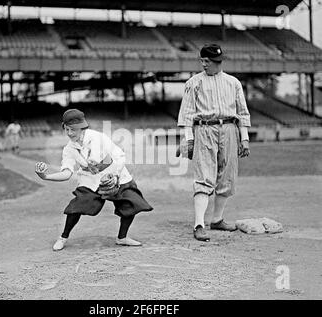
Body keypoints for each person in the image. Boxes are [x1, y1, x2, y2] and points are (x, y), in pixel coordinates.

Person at [34, 109, 153, 251]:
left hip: (114, 173)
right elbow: (66, 173)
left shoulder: (99, 138)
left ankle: (122, 238)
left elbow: (119, 155)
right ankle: (63, 238)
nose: (70, 133)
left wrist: (115, 176)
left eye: (73, 129)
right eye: (67, 129)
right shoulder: (69, 149)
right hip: (90, 179)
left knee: (131, 201)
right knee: (78, 205)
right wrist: (46, 176)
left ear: (82, 127)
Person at [177, 44, 251, 241]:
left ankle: (217, 219)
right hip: (203, 129)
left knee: (227, 176)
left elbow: (242, 113)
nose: (205, 64)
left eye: (209, 61)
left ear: (219, 62)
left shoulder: (233, 82)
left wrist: (244, 138)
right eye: (203, 60)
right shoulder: (194, 83)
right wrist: (189, 139)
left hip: (229, 128)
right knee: (204, 176)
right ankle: (199, 224)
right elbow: (187, 114)